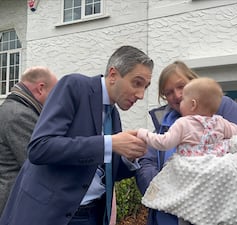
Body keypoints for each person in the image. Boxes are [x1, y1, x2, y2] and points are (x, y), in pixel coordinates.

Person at [0, 45, 154, 225]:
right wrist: (109, 143)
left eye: (146, 86)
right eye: (137, 83)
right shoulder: (74, 86)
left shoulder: (114, 116)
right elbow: (39, 148)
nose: (141, 94)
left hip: (92, 215)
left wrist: (131, 156)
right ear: (113, 75)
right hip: (50, 215)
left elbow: (103, 171)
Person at [137, 78, 237, 225]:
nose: (179, 101)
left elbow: (164, 142)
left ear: (193, 104)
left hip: (190, 169)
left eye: (183, 99)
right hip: (215, 169)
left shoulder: (183, 123)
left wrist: (143, 134)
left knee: (183, 204)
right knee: (212, 202)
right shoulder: (220, 122)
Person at [0, 66, 58, 216]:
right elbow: (39, 164)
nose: (56, 101)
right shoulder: (20, 115)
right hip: (12, 206)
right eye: (54, 93)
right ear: (41, 88)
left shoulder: (10, 108)